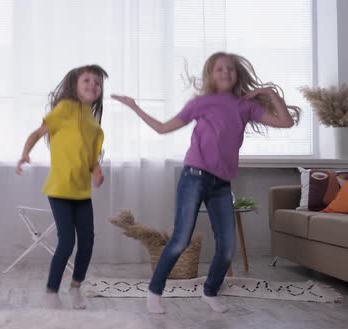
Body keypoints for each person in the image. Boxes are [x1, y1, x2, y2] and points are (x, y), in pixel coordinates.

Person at [112, 52, 300, 314]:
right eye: (219, 69)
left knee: (227, 246)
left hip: (222, 185)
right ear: (211, 74)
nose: (225, 72)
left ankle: (210, 291)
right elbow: (162, 128)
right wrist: (134, 106)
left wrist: (270, 93)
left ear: (237, 75)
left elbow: (286, 122)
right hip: (194, 178)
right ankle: (154, 291)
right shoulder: (201, 103)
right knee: (180, 240)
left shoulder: (245, 106)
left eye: (231, 69)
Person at [16, 64, 108, 309]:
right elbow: (38, 133)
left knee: (87, 241)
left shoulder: (94, 123)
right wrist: (25, 152)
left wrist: (97, 171)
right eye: (87, 80)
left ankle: (76, 288)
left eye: (97, 82)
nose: (92, 85)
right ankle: (51, 291)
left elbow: (91, 159)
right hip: (59, 190)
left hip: (81, 192)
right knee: (67, 241)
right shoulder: (65, 109)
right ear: (75, 85)